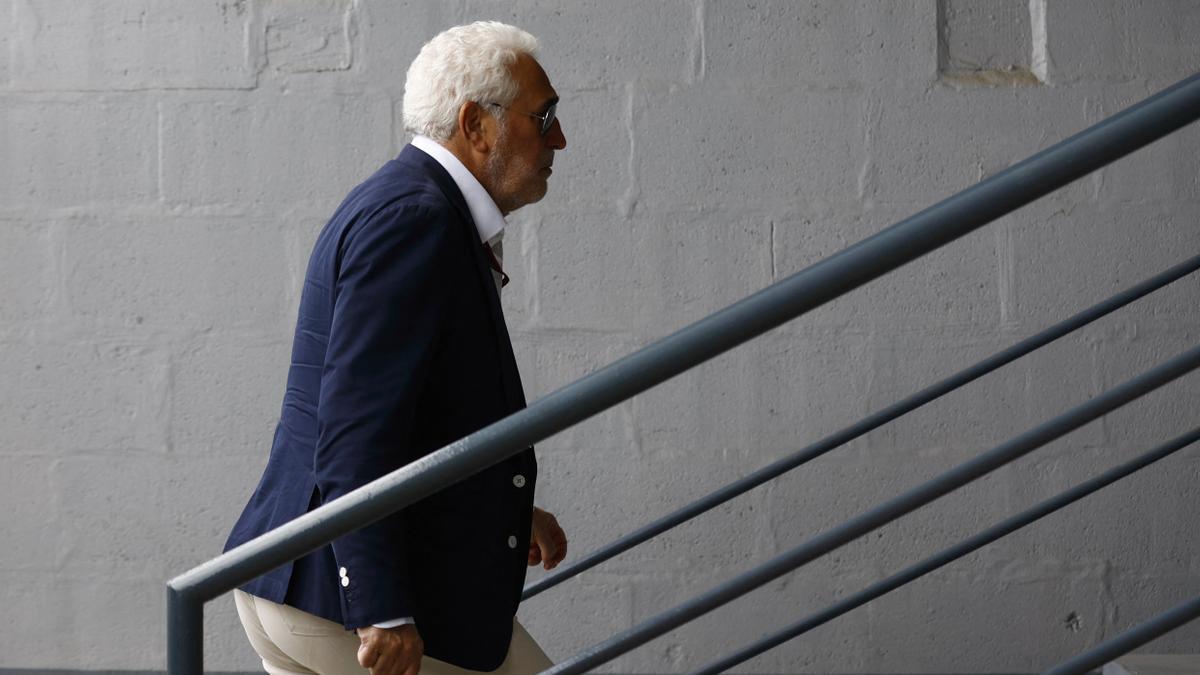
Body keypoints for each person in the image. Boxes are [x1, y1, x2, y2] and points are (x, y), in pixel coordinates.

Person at [223, 21, 569, 675]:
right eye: (543, 116)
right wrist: (379, 607)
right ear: (476, 124)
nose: (559, 138)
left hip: (306, 579)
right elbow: (356, 429)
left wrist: (503, 505)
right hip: (332, 598)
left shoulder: (416, 205)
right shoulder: (417, 220)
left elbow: (422, 412)